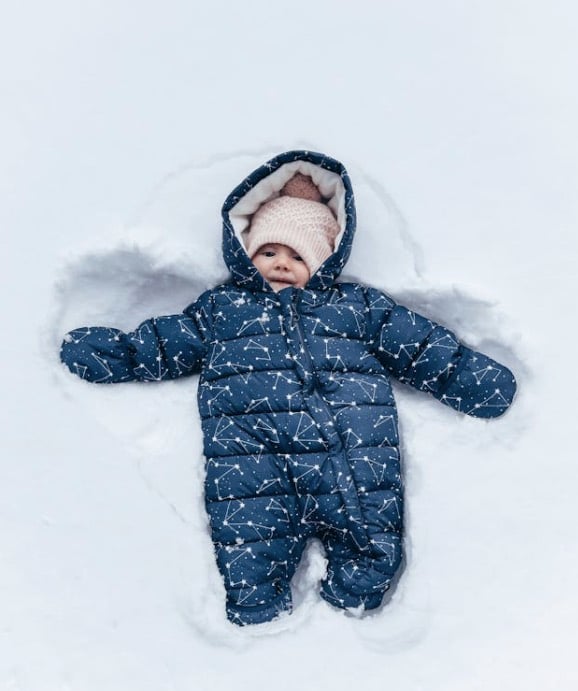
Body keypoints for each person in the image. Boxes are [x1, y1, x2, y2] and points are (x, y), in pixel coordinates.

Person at [60, 150, 517, 626]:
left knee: (370, 538)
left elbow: (419, 347)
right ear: (245, 252)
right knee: (251, 550)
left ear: (323, 260)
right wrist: (116, 354)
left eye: (297, 254)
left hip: (350, 457)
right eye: (268, 251)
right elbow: (165, 344)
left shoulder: (356, 307)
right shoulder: (223, 311)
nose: (280, 263)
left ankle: (354, 605)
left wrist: (471, 380)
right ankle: (257, 617)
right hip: (254, 464)